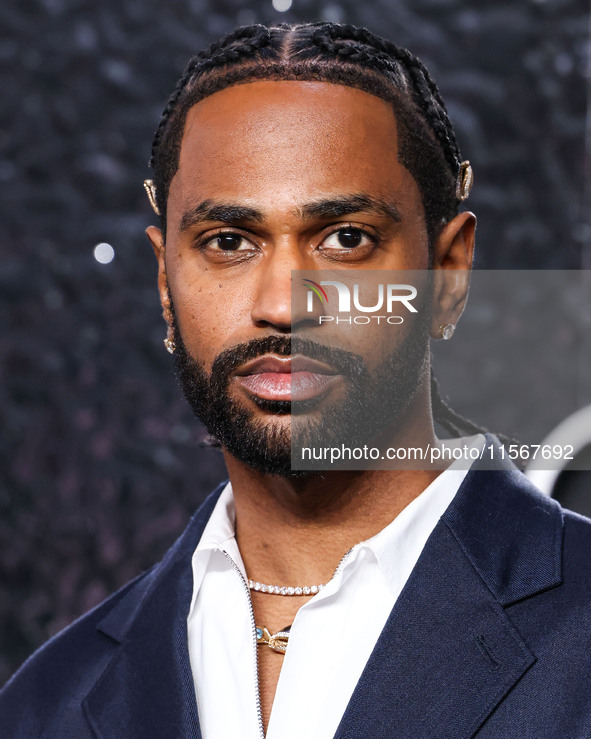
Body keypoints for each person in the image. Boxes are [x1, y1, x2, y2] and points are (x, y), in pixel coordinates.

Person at [1, 21, 591, 739]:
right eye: (228, 242)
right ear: (164, 280)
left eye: (345, 238)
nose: (283, 304)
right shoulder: (47, 704)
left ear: (449, 273)